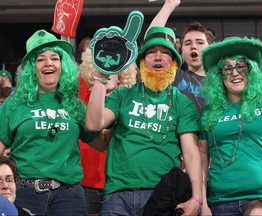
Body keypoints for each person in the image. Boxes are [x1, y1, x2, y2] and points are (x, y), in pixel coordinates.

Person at [86, 26, 202, 216]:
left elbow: (191, 153)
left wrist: (196, 198)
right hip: (117, 194)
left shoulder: (182, 102)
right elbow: (93, 124)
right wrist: (101, 76)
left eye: (165, 53)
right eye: (151, 52)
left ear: (173, 62)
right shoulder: (123, 94)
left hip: (162, 194)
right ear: (142, 61)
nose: (158, 56)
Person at [0, 29, 105, 215]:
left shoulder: (74, 104)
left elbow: (101, 143)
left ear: (63, 64)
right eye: (40, 59)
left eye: (55, 58)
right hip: (25, 192)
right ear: (32, 68)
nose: (48, 63)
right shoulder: (13, 104)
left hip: (69, 196)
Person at [199, 36, 262, 215]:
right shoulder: (209, 112)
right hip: (222, 202)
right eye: (227, 69)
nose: (234, 73)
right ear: (219, 76)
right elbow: (201, 158)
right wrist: (202, 203)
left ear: (252, 71)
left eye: (241, 67)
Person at [78, 47, 138, 215]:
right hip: (86, 181)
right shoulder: (83, 96)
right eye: (102, 65)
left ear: (123, 73)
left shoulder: (131, 103)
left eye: (114, 66)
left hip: (120, 184)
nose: (108, 70)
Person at [147, 0, 213, 116]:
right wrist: (169, 5)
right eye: (187, 43)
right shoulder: (174, 76)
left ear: (211, 49)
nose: (193, 46)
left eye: (199, 42)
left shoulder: (222, 79)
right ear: (181, 53)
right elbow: (151, 40)